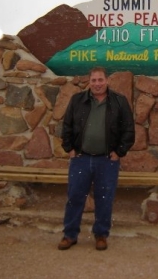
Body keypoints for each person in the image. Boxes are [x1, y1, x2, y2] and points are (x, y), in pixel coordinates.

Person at [58, 66, 135, 251]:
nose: (97, 84)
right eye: (94, 80)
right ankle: (70, 235)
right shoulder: (78, 100)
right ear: (89, 82)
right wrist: (69, 149)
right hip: (81, 159)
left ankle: (101, 235)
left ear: (106, 81)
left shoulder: (119, 101)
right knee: (75, 197)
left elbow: (129, 130)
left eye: (100, 80)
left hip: (107, 161)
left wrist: (119, 152)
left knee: (104, 199)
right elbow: (66, 125)